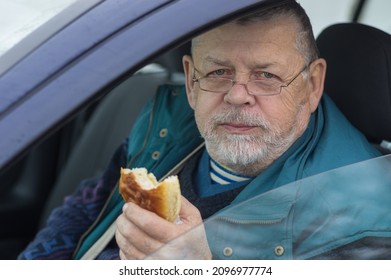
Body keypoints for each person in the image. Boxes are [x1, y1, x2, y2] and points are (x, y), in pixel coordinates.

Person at [18, 0, 389, 260]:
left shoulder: (367, 219)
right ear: (192, 81)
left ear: (312, 85)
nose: (238, 95)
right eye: (218, 72)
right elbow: (86, 210)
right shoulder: (163, 125)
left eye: (266, 75)